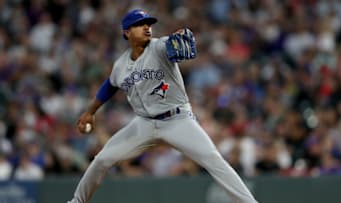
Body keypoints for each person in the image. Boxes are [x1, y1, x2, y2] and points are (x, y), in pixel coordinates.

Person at [67, 9, 258, 203]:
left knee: (214, 160)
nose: (146, 27)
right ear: (126, 32)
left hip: (178, 120)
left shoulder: (159, 47)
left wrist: (179, 37)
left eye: (148, 24)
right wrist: (90, 112)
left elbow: (170, 46)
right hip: (144, 124)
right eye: (140, 25)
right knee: (102, 159)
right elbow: (109, 86)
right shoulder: (121, 65)